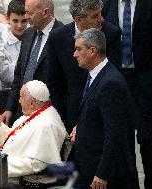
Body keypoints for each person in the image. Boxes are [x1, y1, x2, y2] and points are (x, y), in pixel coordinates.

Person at [72, 28, 137, 189]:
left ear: (93, 50)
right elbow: (96, 114)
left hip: (103, 174)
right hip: (88, 166)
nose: (75, 54)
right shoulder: (93, 75)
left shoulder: (110, 83)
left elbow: (114, 132)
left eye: (79, 49)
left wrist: (103, 173)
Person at [47, 0, 122, 133]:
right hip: (70, 115)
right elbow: (54, 83)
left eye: (100, 13)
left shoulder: (112, 34)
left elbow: (112, 79)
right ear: (78, 19)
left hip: (100, 116)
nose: (101, 19)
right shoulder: (57, 37)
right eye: (95, 16)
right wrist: (60, 119)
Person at [102, 1, 152, 188]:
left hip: (147, 85)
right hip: (116, 81)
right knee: (120, 141)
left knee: (149, 142)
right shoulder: (106, 5)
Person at [0, 80, 67, 182]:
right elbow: (13, 142)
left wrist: (2, 165)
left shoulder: (47, 124)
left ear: (32, 103)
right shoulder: (30, 115)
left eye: (21, 97)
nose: (19, 101)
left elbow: (37, 163)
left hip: (30, 181)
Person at [1, 0, 63, 125]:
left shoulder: (63, 35)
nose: (26, 17)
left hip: (50, 116)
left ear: (45, 12)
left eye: (30, 13)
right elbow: (19, 75)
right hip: (24, 113)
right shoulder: (28, 33)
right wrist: (9, 108)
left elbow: (69, 81)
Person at [0, 0, 27, 88]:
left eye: (24, 21)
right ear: (7, 19)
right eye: (15, 21)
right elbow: (5, 75)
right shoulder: (0, 40)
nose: (19, 26)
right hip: (7, 90)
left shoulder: (34, 35)